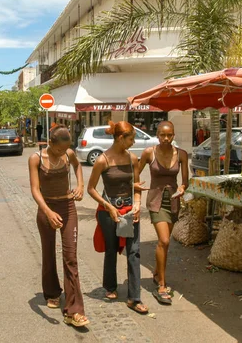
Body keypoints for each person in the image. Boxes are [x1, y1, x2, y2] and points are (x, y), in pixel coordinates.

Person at [28, 125, 89, 328]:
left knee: (70, 257)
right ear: (50, 143)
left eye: (65, 149)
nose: (62, 153)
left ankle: (74, 310)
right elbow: (35, 189)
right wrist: (47, 211)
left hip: (67, 207)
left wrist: (80, 185)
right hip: (47, 208)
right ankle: (52, 292)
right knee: (48, 253)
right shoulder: (36, 158)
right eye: (59, 149)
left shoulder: (69, 153)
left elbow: (78, 166)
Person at [87, 121, 147, 315]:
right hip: (108, 211)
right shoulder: (102, 160)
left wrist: (137, 203)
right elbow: (91, 189)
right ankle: (110, 287)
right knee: (111, 249)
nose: (133, 142)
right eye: (131, 139)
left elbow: (136, 185)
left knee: (134, 252)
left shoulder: (133, 158)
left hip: (129, 210)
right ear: (120, 138)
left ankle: (134, 298)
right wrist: (109, 207)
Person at [136, 121, 189, 305]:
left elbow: (185, 181)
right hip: (155, 201)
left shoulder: (181, 154)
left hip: (173, 201)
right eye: (162, 135)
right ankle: (161, 285)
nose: (166, 138)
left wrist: (182, 187)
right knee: (164, 240)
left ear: (174, 135)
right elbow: (136, 171)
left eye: (170, 135)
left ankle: (158, 271)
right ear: (157, 135)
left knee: (166, 244)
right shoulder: (149, 153)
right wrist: (135, 186)